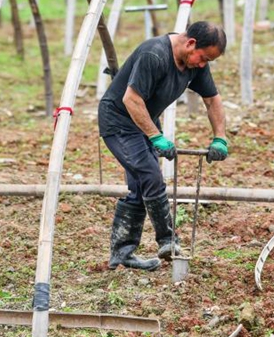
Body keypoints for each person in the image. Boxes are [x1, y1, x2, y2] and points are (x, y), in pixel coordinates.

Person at [98, 21, 229, 271]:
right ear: (190, 43)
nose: (203, 65)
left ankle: (122, 253)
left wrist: (220, 137)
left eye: (208, 61)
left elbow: (212, 99)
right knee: (150, 176)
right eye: (203, 58)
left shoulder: (196, 64)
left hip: (143, 120)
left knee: (140, 184)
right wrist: (155, 136)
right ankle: (168, 241)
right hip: (119, 120)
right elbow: (131, 98)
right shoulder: (154, 55)